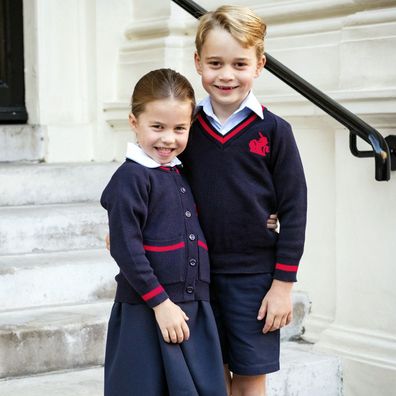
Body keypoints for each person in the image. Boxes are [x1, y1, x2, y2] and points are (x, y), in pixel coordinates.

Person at [179, 5, 307, 396]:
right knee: (211, 378)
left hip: (254, 278)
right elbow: (156, 186)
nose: (227, 75)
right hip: (195, 276)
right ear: (198, 62)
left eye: (239, 63)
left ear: (259, 64)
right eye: (215, 63)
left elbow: (295, 209)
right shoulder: (185, 129)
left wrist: (283, 284)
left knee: (250, 379)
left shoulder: (275, 131)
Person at [100, 68, 228, 396]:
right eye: (157, 127)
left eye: (179, 128)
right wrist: (160, 303)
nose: (168, 138)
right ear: (134, 122)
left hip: (192, 307)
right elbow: (125, 247)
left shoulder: (181, 174)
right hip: (147, 308)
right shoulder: (131, 178)